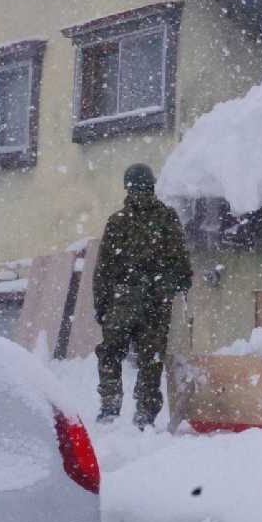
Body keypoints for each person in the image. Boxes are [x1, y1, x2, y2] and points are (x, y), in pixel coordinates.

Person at [93, 164, 192, 429]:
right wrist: (169, 285)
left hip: (124, 300)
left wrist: (101, 304)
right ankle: (144, 414)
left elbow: (104, 269)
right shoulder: (166, 219)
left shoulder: (119, 221)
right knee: (150, 359)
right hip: (152, 303)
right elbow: (182, 266)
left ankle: (111, 409)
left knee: (113, 354)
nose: (138, 193)